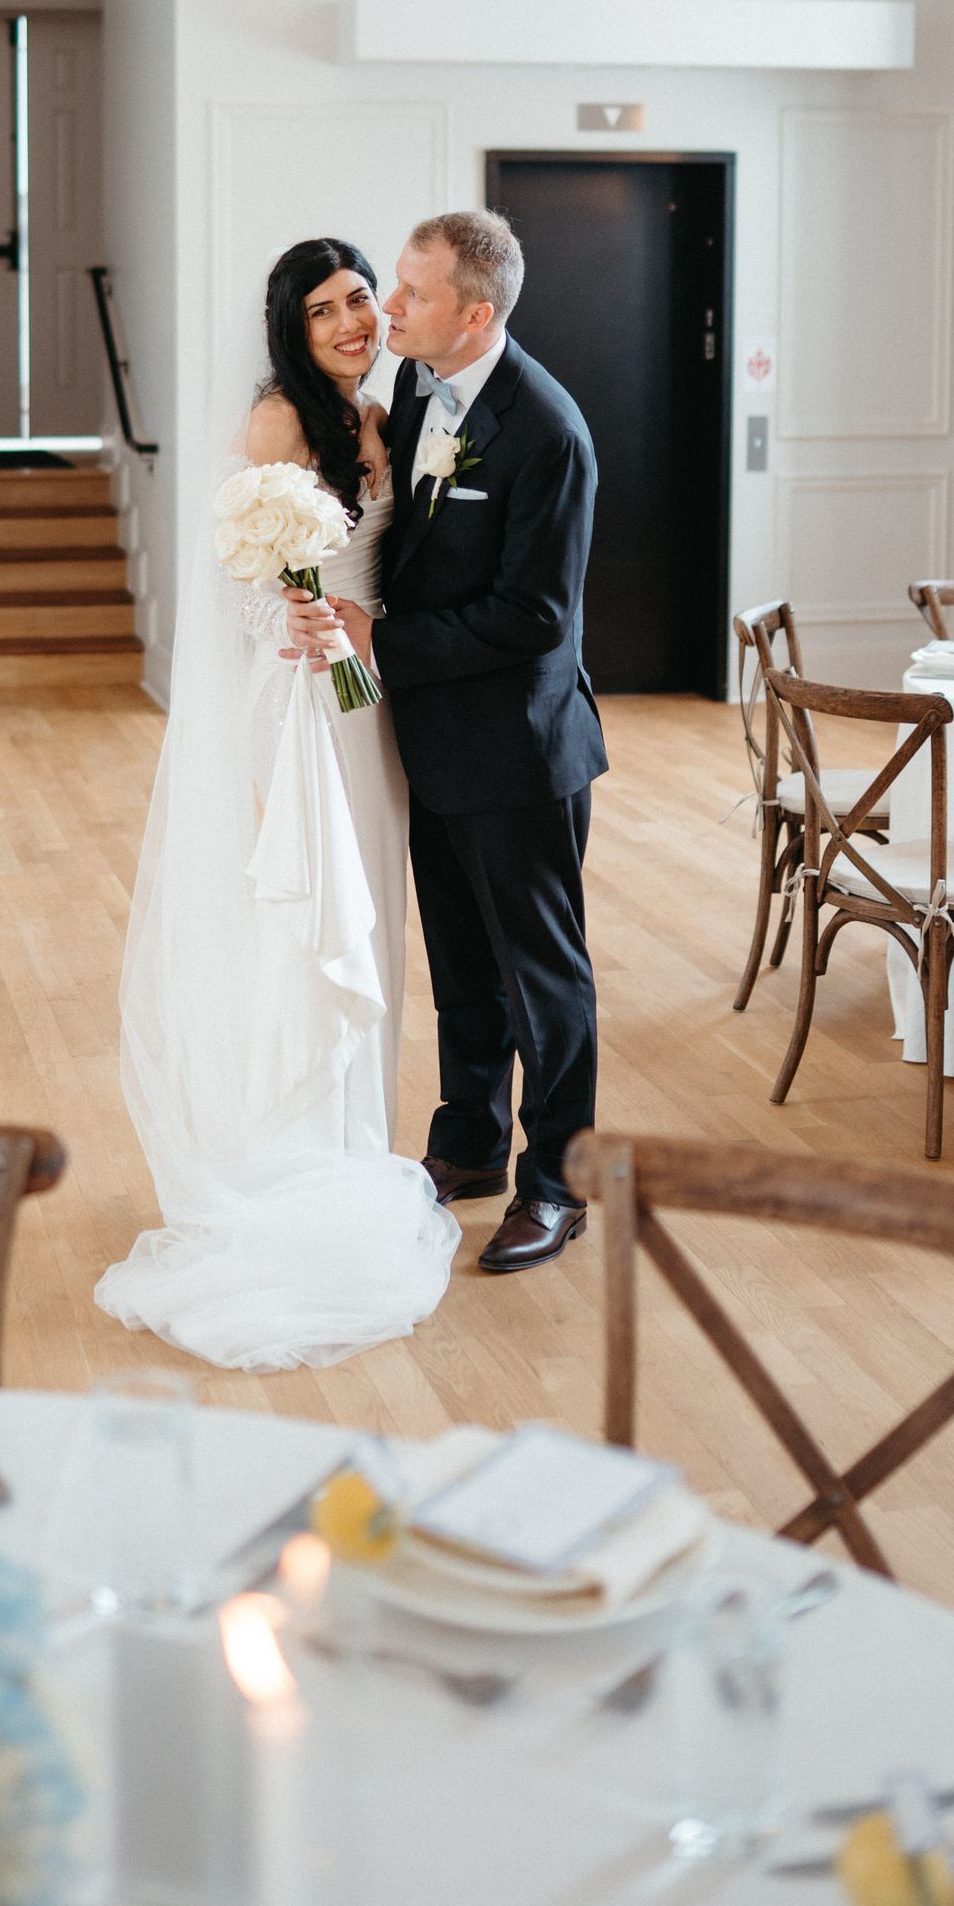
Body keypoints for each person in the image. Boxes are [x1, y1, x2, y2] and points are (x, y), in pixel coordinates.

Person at [94, 237, 457, 1371]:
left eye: (360, 300)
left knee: (369, 913)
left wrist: (355, 635)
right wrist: (292, 625)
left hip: (371, 704)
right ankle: (291, 1152)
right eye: (324, 312)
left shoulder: (391, 422)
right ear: (291, 334)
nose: (353, 322)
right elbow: (237, 598)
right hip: (300, 709)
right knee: (303, 921)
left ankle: (359, 1144)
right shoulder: (280, 426)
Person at [282, 209, 606, 1273]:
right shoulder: (419, 386)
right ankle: (468, 1146)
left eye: (410, 295)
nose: (388, 310)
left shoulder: (549, 432)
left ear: (476, 314)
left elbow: (537, 618)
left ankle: (560, 1182)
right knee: (463, 965)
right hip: (430, 739)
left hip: (519, 751)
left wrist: (388, 637)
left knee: (540, 978)